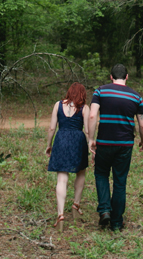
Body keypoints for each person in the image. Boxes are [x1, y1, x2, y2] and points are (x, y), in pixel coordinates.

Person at [88, 64, 143, 231]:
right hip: (125, 145)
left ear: (111, 76)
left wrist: (91, 139)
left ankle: (105, 210)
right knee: (120, 181)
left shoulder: (100, 91)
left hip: (104, 142)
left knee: (101, 174)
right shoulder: (136, 96)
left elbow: (92, 115)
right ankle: (116, 222)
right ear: (127, 77)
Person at [46, 82, 90, 230]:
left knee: (62, 178)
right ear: (82, 94)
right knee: (81, 172)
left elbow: (52, 127)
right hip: (78, 140)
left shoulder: (57, 105)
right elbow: (88, 130)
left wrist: (49, 144)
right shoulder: (84, 107)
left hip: (61, 139)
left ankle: (60, 214)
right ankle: (76, 205)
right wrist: (91, 142)